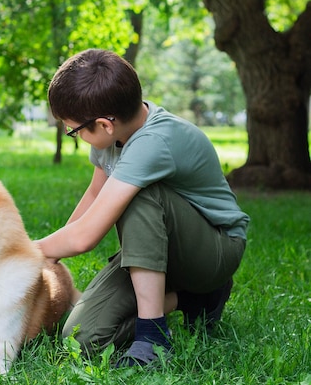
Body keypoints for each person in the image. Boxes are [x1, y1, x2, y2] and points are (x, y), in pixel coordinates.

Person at [36, 49, 248, 367]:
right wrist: (51, 253)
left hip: (213, 250)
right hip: (157, 247)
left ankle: (153, 337)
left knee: (142, 195)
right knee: (82, 339)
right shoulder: (114, 137)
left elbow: (86, 237)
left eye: (75, 130)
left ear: (106, 125)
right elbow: (95, 195)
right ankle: (194, 300)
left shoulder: (153, 143)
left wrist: (27, 250)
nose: (76, 136)